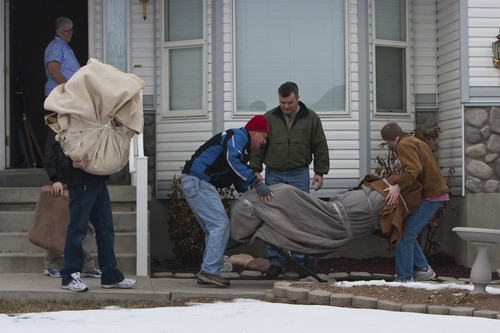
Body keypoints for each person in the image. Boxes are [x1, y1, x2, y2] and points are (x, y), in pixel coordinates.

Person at [249, 81, 330, 279]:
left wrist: (320, 171)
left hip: (299, 173)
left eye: (290, 102)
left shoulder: (311, 118)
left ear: (298, 98)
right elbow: (260, 145)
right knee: (274, 216)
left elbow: (319, 145)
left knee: (300, 216)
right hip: (274, 173)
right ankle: (276, 263)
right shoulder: (269, 117)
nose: (286, 106)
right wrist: (256, 169)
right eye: (282, 102)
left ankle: (301, 262)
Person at [182, 115, 274, 287]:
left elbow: (236, 175)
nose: (264, 142)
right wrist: (256, 182)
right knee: (220, 225)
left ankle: (208, 271)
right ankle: (209, 271)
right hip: (198, 180)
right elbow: (232, 161)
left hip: (197, 182)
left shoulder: (243, 147)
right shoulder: (237, 136)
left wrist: (251, 195)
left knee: (214, 227)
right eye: (264, 137)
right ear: (254, 132)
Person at [42, 16, 100, 279]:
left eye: (72, 30)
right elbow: (54, 69)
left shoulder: (65, 46)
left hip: (68, 101)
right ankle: (55, 263)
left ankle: (87, 266)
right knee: (57, 137)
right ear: (59, 31)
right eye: (68, 30)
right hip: (61, 98)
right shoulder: (55, 47)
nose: (71, 33)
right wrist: (67, 91)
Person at [51, 142, 136, 292]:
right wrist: (70, 165)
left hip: (98, 181)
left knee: (106, 229)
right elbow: (55, 147)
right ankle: (69, 277)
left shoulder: (95, 122)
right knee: (77, 231)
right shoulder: (65, 120)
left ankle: (110, 275)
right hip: (80, 184)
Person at [380, 122, 450, 282]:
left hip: (431, 196)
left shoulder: (403, 145)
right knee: (406, 232)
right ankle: (423, 269)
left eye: (387, 142)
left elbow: (413, 168)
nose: (388, 145)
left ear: (390, 140)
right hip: (435, 193)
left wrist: (397, 186)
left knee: (404, 235)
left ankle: (404, 279)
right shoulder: (412, 141)